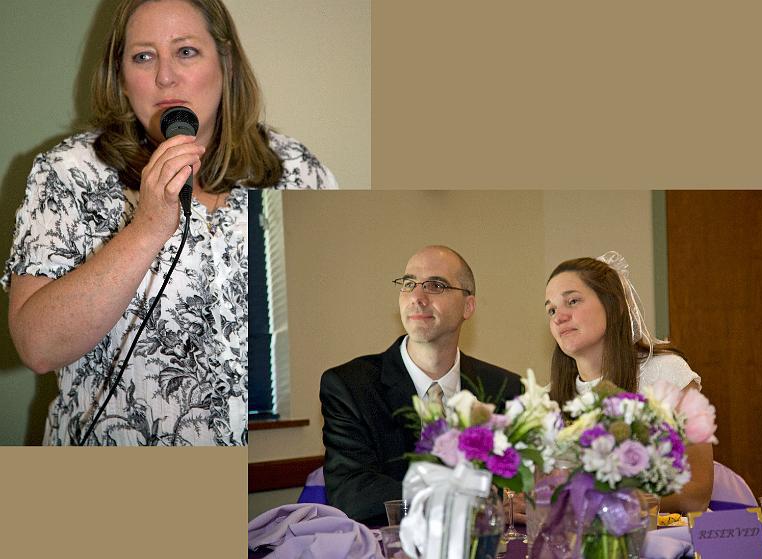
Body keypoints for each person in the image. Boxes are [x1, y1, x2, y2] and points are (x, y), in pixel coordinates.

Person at [1, 0, 336, 446]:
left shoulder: (295, 167)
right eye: (143, 56)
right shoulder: (67, 172)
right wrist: (146, 228)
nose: (164, 76)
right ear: (120, 75)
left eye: (185, 52)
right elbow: (37, 347)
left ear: (226, 62)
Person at [319, 245, 522, 526]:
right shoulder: (350, 386)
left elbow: (519, 485)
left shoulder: (504, 388)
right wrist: (466, 498)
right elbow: (352, 493)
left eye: (435, 285)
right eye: (408, 284)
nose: (416, 297)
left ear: (468, 306)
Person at [543, 251, 714, 513]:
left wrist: (608, 499)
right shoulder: (546, 400)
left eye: (573, 301)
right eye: (551, 309)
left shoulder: (666, 375)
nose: (558, 316)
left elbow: (697, 492)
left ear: (615, 305)